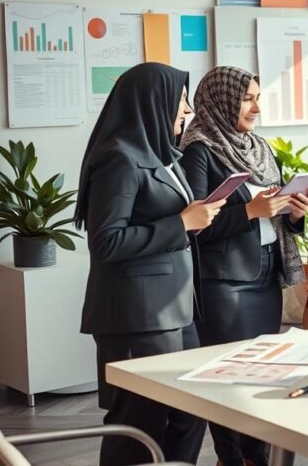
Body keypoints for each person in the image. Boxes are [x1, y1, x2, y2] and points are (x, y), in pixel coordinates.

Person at [75, 62, 224, 466]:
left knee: (191, 411)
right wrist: (180, 224)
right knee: (138, 424)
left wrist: (194, 218)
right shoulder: (118, 159)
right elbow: (106, 241)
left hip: (175, 311)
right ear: (153, 101)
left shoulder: (162, 155)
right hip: (136, 318)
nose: (187, 110)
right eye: (181, 100)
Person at [178, 66, 308, 466]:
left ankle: (257, 456)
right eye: (247, 98)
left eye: (257, 97)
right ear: (222, 100)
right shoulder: (199, 149)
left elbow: (275, 211)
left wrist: (295, 211)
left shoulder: (259, 146)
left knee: (261, 373)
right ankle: (234, 459)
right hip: (225, 283)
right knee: (229, 379)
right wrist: (251, 212)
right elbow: (195, 227)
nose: (257, 107)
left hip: (266, 275)